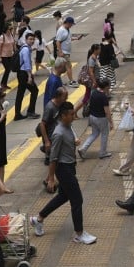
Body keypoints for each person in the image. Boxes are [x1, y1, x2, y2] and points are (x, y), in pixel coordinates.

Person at [31, 102, 98, 244]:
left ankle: (39, 219)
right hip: (63, 169)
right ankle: (79, 234)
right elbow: (53, 157)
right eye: (71, 114)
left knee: (63, 196)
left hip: (70, 166)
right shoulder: (58, 133)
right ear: (63, 116)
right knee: (77, 200)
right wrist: (50, 178)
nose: (74, 116)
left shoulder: (68, 127)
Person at [79, 69, 113, 160]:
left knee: (94, 134)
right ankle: (102, 152)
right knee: (104, 134)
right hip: (101, 118)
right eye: (109, 86)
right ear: (105, 87)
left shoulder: (94, 93)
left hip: (92, 117)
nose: (109, 87)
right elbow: (107, 112)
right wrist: (111, 122)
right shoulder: (103, 97)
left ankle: (83, 148)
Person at [55, 16, 78, 86]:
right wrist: (60, 52)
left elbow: (68, 38)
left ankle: (58, 80)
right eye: (71, 24)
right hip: (64, 52)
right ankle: (71, 81)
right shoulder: (61, 30)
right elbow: (58, 42)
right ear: (68, 23)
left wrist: (76, 38)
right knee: (68, 66)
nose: (72, 26)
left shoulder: (67, 29)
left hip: (66, 52)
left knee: (62, 67)